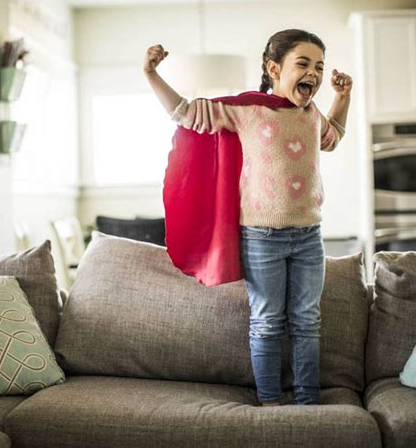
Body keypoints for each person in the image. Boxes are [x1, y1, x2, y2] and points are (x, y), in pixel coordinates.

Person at [143, 29, 352, 407]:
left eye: (319, 67)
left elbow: (333, 136)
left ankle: (308, 402)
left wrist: (342, 97)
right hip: (262, 237)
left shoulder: (310, 114)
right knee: (268, 321)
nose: (314, 74)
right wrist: (152, 75)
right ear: (274, 68)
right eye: (303, 64)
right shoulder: (246, 110)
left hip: (309, 235)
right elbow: (185, 113)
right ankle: (270, 402)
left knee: (307, 322)